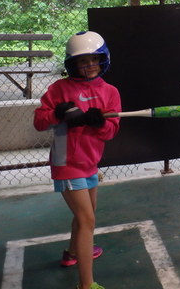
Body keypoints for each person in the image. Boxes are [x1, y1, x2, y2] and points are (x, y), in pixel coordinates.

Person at [34, 31, 121, 289]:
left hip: (90, 162)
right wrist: (57, 113)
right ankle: (86, 285)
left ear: (103, 59)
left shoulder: (110, 92)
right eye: (83, 61)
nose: (89, 65)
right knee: (87, 221)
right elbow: (39, 122)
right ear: (72, 63)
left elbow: (111, 131)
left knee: (86, 215)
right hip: (66, 162)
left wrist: (99, 123)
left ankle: (73, 253)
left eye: (94, 59)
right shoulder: (59, 89)